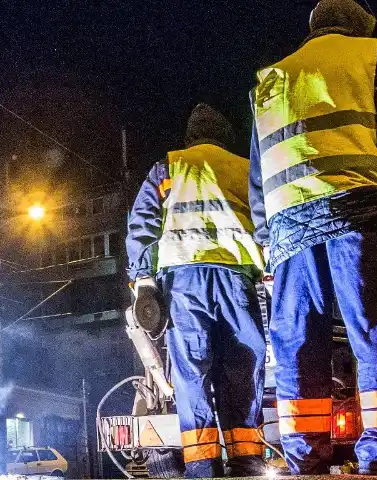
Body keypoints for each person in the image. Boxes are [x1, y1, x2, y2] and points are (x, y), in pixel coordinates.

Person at [247, 0, 377, 475]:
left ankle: (306, 456)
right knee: (376, 331)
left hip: (289, 233)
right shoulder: (373, 55)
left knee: (297, 343)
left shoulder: (272, 79)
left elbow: (259, 172)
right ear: (360, 25)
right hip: (360, 213)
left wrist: (269, 238)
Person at [127, 104, 268, 477]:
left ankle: (202, 467)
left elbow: (142, 223)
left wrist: (143, 281)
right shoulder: (244, 167)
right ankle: (246, 462)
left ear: (190, 136)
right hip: (236, 279)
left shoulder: (168, 168)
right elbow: (266, 220)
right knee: (242, 369)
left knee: (191, 375)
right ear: (225, 135)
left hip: (184, 285)